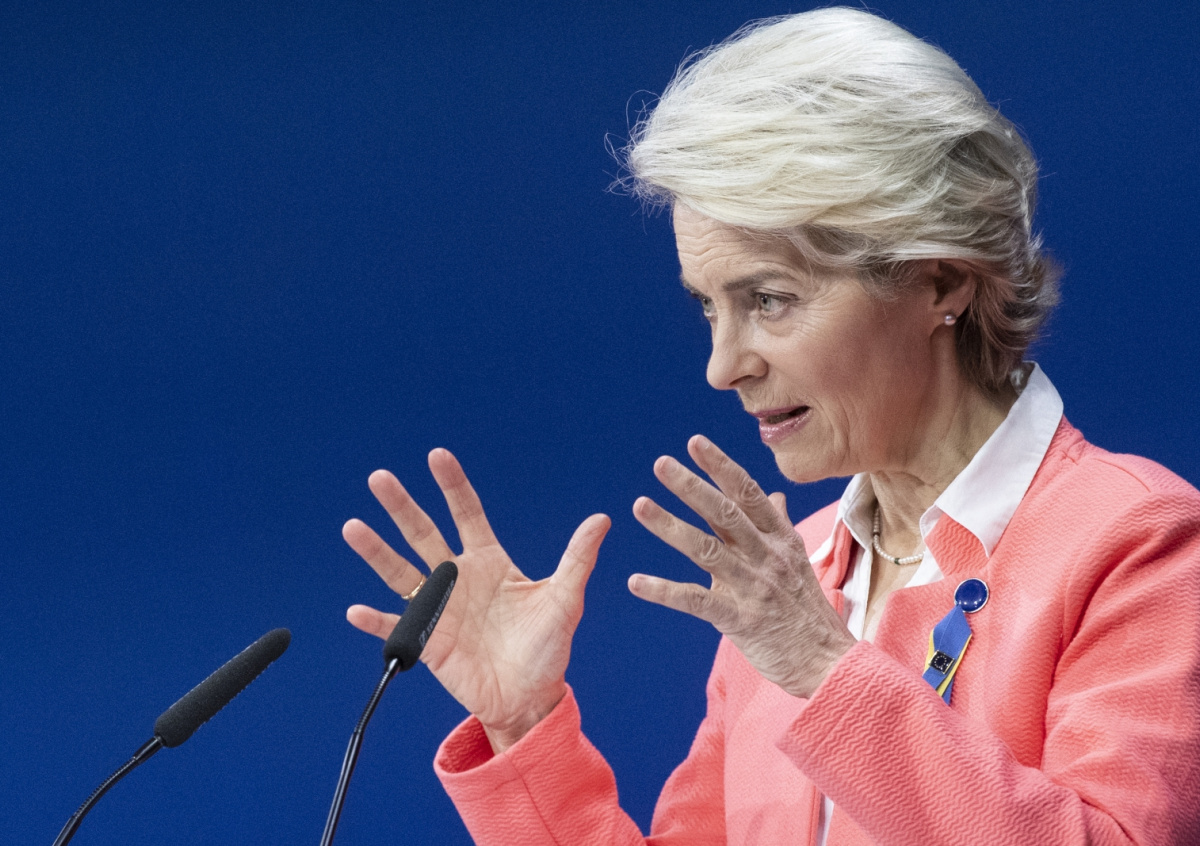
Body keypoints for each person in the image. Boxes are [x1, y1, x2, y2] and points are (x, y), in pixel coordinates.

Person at [341, 8, 1200, 844]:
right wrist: (526, 726)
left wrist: (824, 668)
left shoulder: (1139, 543)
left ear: (940, 282)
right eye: (708, 307)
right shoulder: (793, 576)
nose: (723, 367)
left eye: (769, 300)